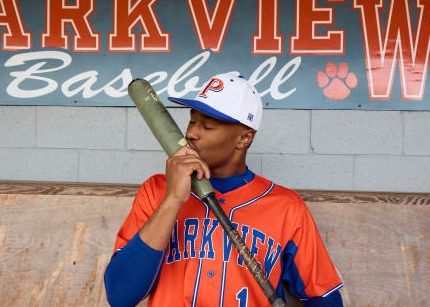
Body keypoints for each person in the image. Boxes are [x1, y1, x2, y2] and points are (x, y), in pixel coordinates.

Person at [104, 73, 343, 306]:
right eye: (192, 120)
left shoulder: (287, 207)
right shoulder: (156, 190)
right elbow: (120, 296)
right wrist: (173, 199)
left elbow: (325, 298)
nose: (190, 134)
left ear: (244, 138)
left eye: (207, 127)